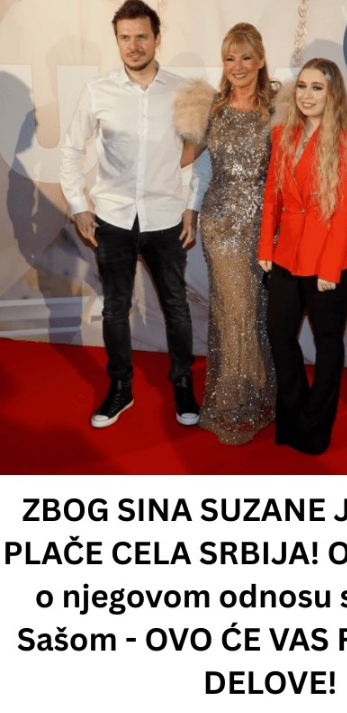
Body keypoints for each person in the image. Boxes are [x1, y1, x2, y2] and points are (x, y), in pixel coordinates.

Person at [60, 0, 209, 429]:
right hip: (112, 218)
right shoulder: (97, 91)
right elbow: (70, 150)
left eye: (142, 36)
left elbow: (201, 154)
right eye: (125, 37)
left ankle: (183, 385)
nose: (134, 45)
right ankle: (120, 388)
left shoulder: (182, 92)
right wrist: (79, 206)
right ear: (117, 41)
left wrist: (192, 207)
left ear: (157, 38)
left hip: (165, 217)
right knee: (114, 309)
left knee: (176, 307)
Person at [258, 58, 347, 455]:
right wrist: (265, 247)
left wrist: (330, 267)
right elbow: (272, 193)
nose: (306, 95)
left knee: (327, 341)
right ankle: (293, 414)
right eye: (302, 86)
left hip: (331, 258)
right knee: (278, 333)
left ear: (332, 93)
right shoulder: (283, 133)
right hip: (287, 252)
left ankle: (316, 426)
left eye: (317, 88)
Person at [174, 23, 277, 445]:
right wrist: (190, 210)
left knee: (254, 312)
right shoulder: (212, 109)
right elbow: (191, 162)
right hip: (221, 225)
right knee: (232, 311)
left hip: (262, 225)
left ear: (260, 60)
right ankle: (234, 401)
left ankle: (259, 393)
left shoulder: (276, 110)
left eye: (246, 57)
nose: (238, 66)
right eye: (230, 58)